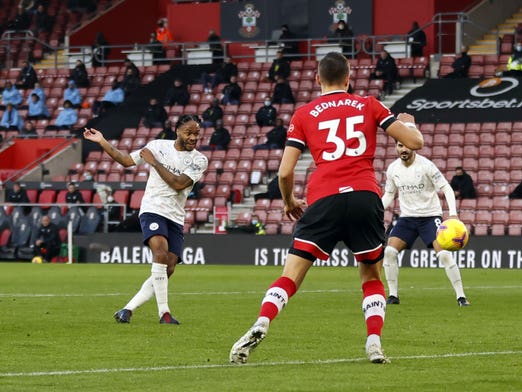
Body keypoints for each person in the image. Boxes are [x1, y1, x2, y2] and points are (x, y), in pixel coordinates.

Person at [229, 52, 424, 365]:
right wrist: (408, 124)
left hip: (324, 197)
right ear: (349, 78)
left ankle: (263, 320)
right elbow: (414, 144)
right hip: (364, 195)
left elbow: (284, 172)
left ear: (317, 79)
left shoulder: (304, 114)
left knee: (291, 274)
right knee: (371, 273)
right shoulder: (369, 104)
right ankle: (374, 341)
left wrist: (290, 201)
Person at [83, 114, 208, 325]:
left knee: (168, 268)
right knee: (159, 253)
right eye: (189, 132)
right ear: (177, 130)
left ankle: (128, 309)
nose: (193, 137)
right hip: (153, 209)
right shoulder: (157, 145)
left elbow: (178, 184)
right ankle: (164, 313)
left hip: (175, 216)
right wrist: (102, 141)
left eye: (197, 133)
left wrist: (155, 163)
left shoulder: (199, 160)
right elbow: (125, 160)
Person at [381, 141, 470, 307]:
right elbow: (389, 194)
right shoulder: (393, 169)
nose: (404, 149)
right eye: (400, 145)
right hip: (407, 218)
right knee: (390, 252)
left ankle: (461, 296)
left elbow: (447, 188)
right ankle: (393, 295)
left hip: (430, 217)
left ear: (413, 146)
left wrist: (453, 214)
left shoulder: (426, 165)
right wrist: (376, 210)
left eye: (406, 146)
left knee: (444, 254)